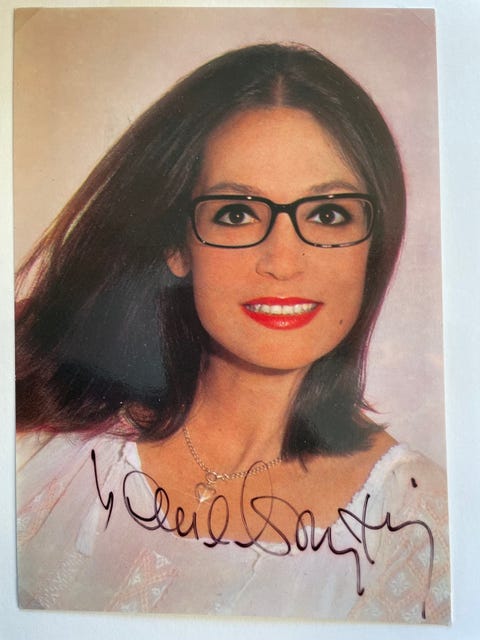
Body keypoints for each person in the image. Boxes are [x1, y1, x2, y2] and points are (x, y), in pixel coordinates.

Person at [15, 43, 449, 622]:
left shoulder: (425, 532)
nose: (283, 262)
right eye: (237, 213)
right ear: (176, 246)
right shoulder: (38, 438)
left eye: (327, 214)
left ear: (371, 247)